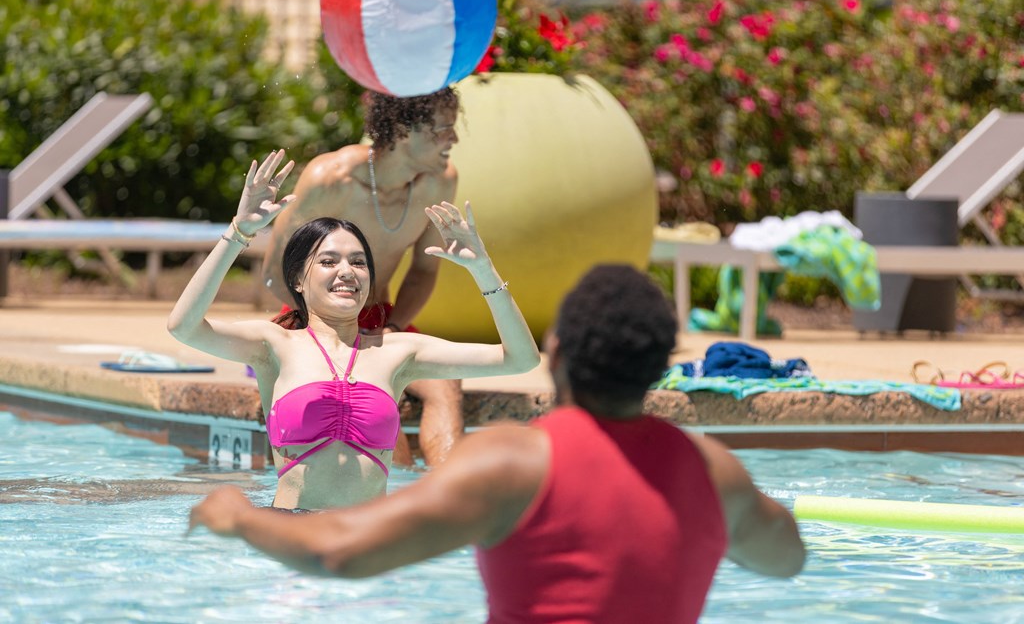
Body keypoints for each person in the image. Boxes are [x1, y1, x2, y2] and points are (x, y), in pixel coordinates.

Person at [189, 264, 806, 622]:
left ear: (557, 354)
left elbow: (340, 554)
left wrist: (241, 518)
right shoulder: (712, 471)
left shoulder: (516, 462)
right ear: (659, 365)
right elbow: (787, 558)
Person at [169, 150, 539, 510]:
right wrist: (238, 232)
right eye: (329, 261)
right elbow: (184, 327)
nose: (347, 271)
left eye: (358, 262)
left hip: (369, 545)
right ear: (298, 279)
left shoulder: (397, 351)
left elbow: (520, 358)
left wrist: (483, 271)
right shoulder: (274, 345)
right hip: (294, 536)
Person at [262, 88, 464, 467]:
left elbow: (424, 270)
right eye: (443, 130)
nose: (453, 139)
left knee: (446, 384)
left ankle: (454, 498)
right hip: (312, 321)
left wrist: (395, 325)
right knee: (372, 390)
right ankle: (395, 498)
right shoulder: (330, 179)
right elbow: (275, 273)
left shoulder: (439, 182)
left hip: (382, 320)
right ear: (405, 130)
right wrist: (325, 326)